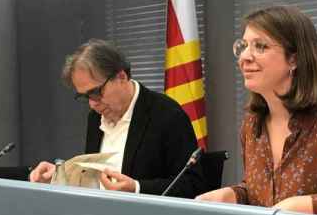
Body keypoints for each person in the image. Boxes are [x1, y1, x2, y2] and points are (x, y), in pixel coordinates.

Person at [196, 5, 317, 215]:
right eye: (243, 46)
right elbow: (263, 194)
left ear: (294, 59)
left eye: (260, 46)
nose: (244, 57)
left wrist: (303, 206)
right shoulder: (253, 123)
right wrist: (233, 195)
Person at [29, 40, 207, 198]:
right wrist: (62, 176)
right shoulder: (95, 118)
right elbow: (93, 179)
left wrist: (137, 188)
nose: (92, 104)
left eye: (97, 92)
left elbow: (192, 185)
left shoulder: (167, 115)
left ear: (121, 77)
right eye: (85, 97)